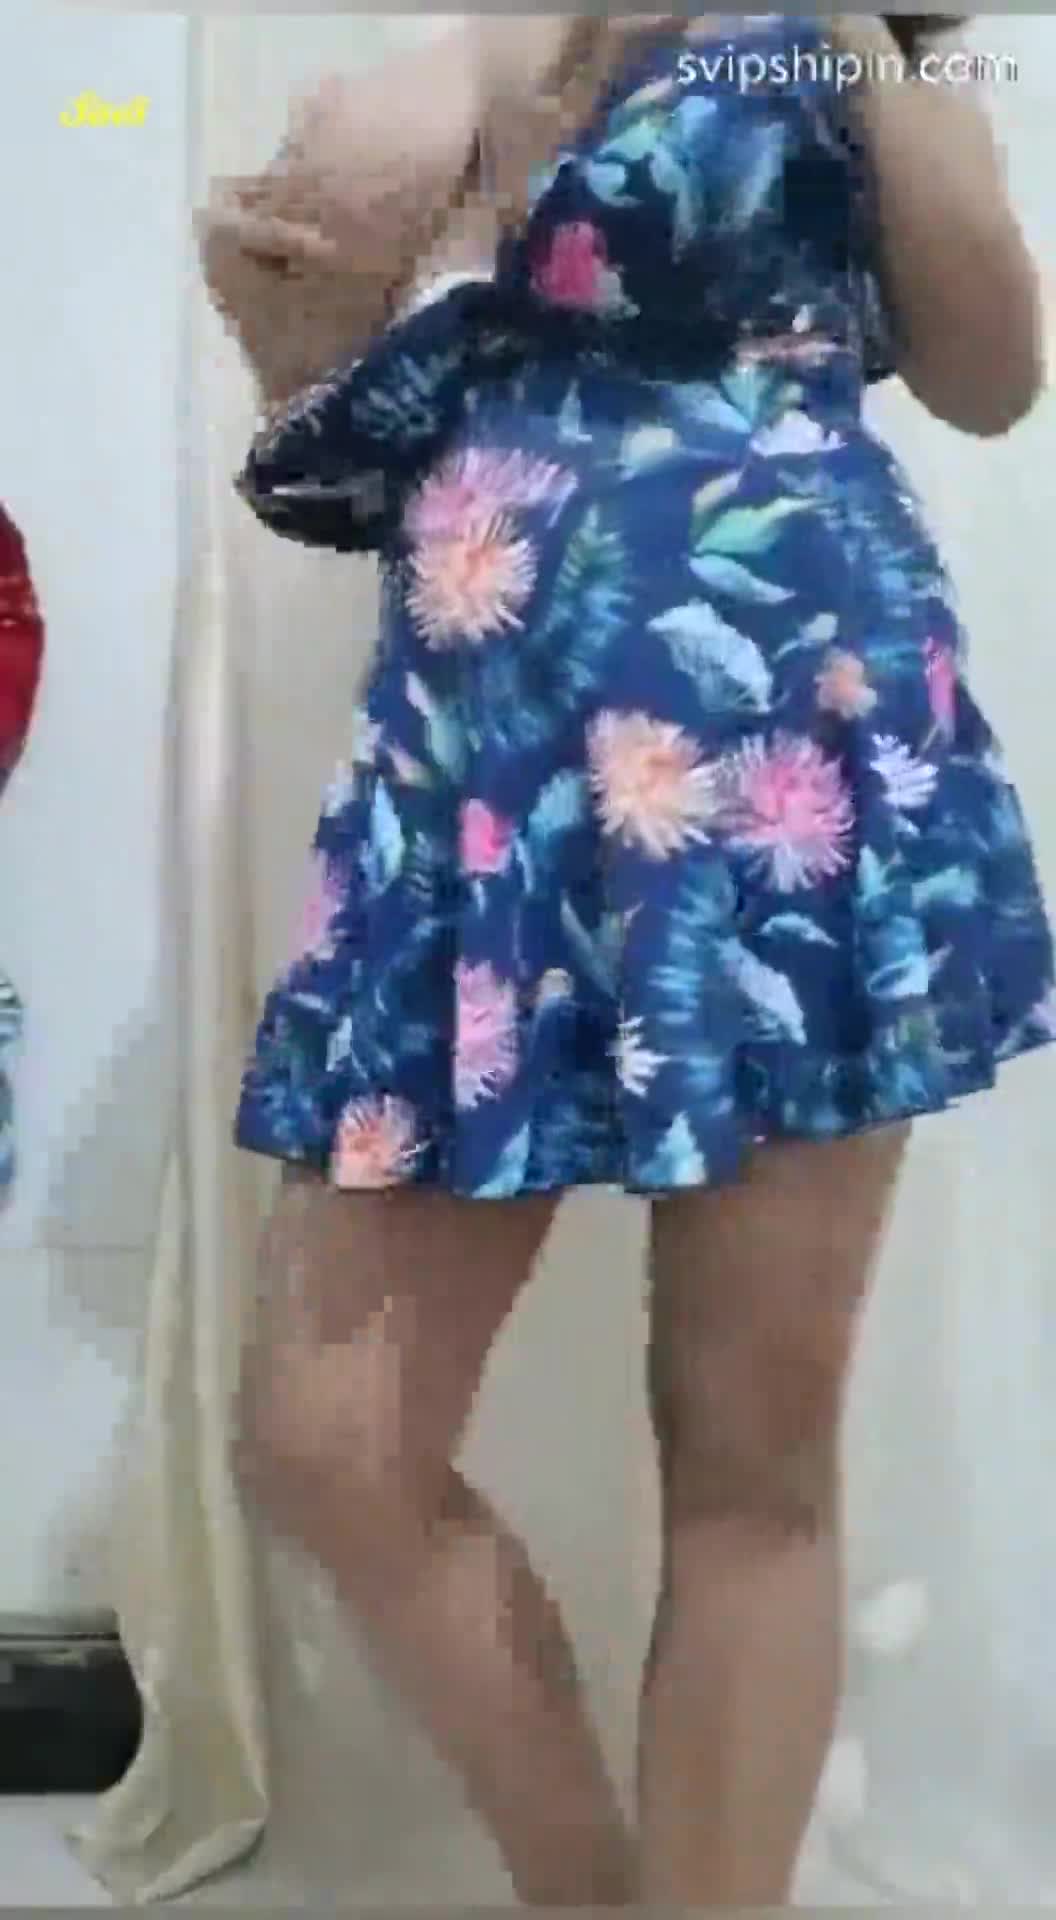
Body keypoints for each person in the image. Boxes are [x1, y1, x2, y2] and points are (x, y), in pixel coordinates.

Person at [199, 15, 1054, 1904]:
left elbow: (997, 371)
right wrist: (289, 305)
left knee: (750, 1451)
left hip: (785, 753)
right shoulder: (449, 52)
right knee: (330, 1436)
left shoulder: (837, 49)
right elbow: (358, 436)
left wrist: (858, 33)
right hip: (479, 772)